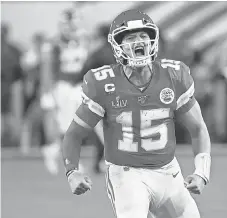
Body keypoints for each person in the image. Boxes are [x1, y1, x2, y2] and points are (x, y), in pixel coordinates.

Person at [61, 10, 211, 218]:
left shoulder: (173, 76)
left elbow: (198, 128)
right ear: (117, 45)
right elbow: (74, 134)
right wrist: (72, 172)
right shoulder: (103, 83)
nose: (138, 42)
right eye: (130, 37)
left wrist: (201, 172)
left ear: (152, 41)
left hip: (169, 173)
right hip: (127, 175)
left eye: (143, 36)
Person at [39, 8, 90, 174]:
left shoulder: (83, 40)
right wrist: (47, 91)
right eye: (69, 24)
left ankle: (53, 150)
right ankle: (71, 160)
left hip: (79, 86)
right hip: (63, 86)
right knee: (69, 125)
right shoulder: (53, 44)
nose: (72, 28)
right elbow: (47, 69)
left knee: (78, 123)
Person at [80, 24, 115, 174]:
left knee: (103, 130)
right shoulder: (118, 51)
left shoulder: (98, 53)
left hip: (102, 95)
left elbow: (84, 71)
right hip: (120, 94)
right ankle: (101, 162)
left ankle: (104, 161)